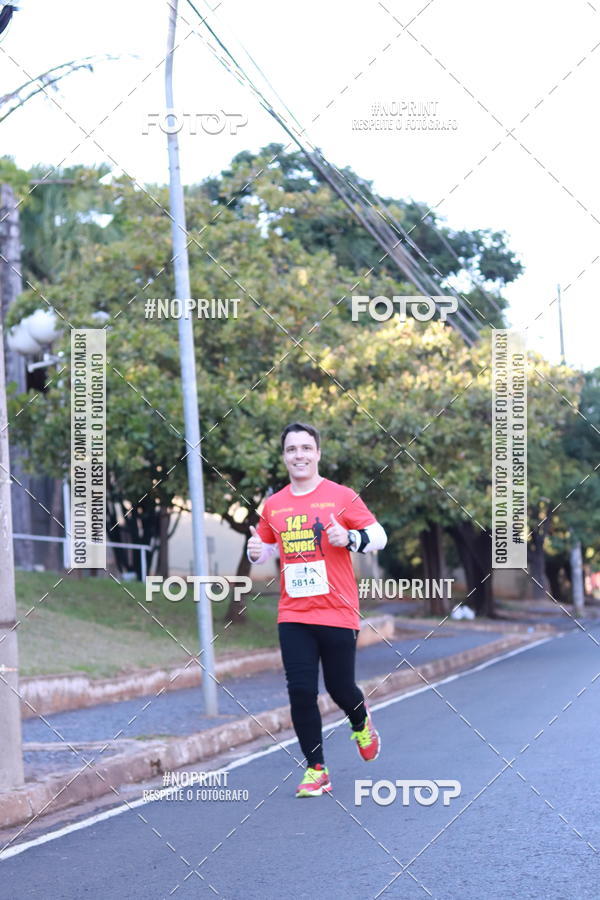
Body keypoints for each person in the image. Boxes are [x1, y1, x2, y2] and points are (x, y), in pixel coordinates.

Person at [247, 422, 388, 798]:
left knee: (340, 687)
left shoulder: (340, 496)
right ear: (285, 457)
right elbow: (268, 546)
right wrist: (257, 551)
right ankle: (316, 769)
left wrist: (351, 537)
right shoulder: (274, 504)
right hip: (294, 614)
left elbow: (380, 536)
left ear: (318, 454)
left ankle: (360, 721)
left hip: (338, 611)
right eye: (292, 449)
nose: (299, 455)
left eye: (306, 448)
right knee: (300, 691)